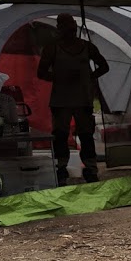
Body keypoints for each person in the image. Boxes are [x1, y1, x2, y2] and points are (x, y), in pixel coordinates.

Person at [37, 13, 109, 184]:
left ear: (75, 28)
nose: (70, 31)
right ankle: (60, 168)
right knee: (61, 135)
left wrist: (89, 77)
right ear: (59, 29)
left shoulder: (87, 47)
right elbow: (40, 73)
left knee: (86, 135)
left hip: (82, 99)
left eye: (72, 28)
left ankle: (90, 168)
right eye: (66, 28)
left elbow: (104, 66)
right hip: (61, 100)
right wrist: (59, 77)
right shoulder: (52, 48)